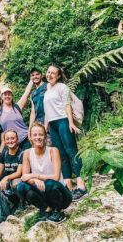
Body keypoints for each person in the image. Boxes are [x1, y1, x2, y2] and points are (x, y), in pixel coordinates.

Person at [43, 65, 86, 200]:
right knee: (60, 155)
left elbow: (67, 105)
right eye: (48, 72)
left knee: (71, 151)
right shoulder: (47, 90)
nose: (49, 75)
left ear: (58, 76)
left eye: (53, 73)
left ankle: (81, 186)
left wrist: (71, 123)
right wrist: (45, 127)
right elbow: (47, 111)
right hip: (52, 124)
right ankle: (68, 187)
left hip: (63, 121)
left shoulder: (62, 87)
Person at [17, 123, 72, 223]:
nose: (38, 137)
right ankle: (47, 210)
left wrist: (35, 176)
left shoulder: (53, 151)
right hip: (44, 193)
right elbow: (24, 177)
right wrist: (35, 180)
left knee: (49, 183)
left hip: (61, 194)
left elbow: (55, 177)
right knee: (21, 187)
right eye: (35, 135)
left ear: (45, 136)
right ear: (30, 137)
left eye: (41, 135)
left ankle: (59, 211)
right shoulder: (27, 153)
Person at [0, 130, 23, 214]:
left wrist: (5, 178)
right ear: (4, 141)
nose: (10, 141)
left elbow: (19, 173)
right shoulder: (4, 154)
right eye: (7, 139)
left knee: (15, 184)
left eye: (12, 138)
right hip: (9, 180)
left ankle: (22, 203)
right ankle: (6, 210)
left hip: (20, 180)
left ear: (17, 139)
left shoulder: (21, 153)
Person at [0, 78, 34, 150]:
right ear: (1, 97)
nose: (7, 96)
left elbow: (26, 94)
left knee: (27, 160)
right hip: (10, 143)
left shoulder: (17, 107)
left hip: (25, 139)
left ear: (12, 96)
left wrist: (31, 80)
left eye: (9, 94)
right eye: (5, 95)